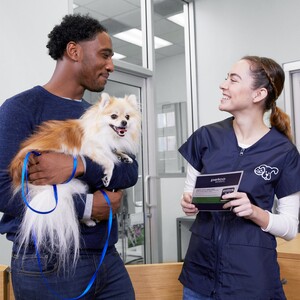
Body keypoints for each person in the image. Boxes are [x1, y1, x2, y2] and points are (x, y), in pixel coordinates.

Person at [0, 14, 137, 299]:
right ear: (74, 51)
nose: (111, 65)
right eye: (105, 55)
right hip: (49, 261)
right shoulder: (21, 109)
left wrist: (79, 166)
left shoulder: (101, 114)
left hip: (106, 258)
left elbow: (129, 171)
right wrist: (87, 206)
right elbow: (3, 190)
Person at [178, 56, 300, 300]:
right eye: (226, 78)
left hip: (250, 278)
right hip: (199, 275)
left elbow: (290, 228)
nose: (223, 85)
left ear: (258, 94)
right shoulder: (206, 137)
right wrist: (188, 202)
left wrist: (254, 211)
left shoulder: (283, 152)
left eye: (233, 79)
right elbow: (189, 193)